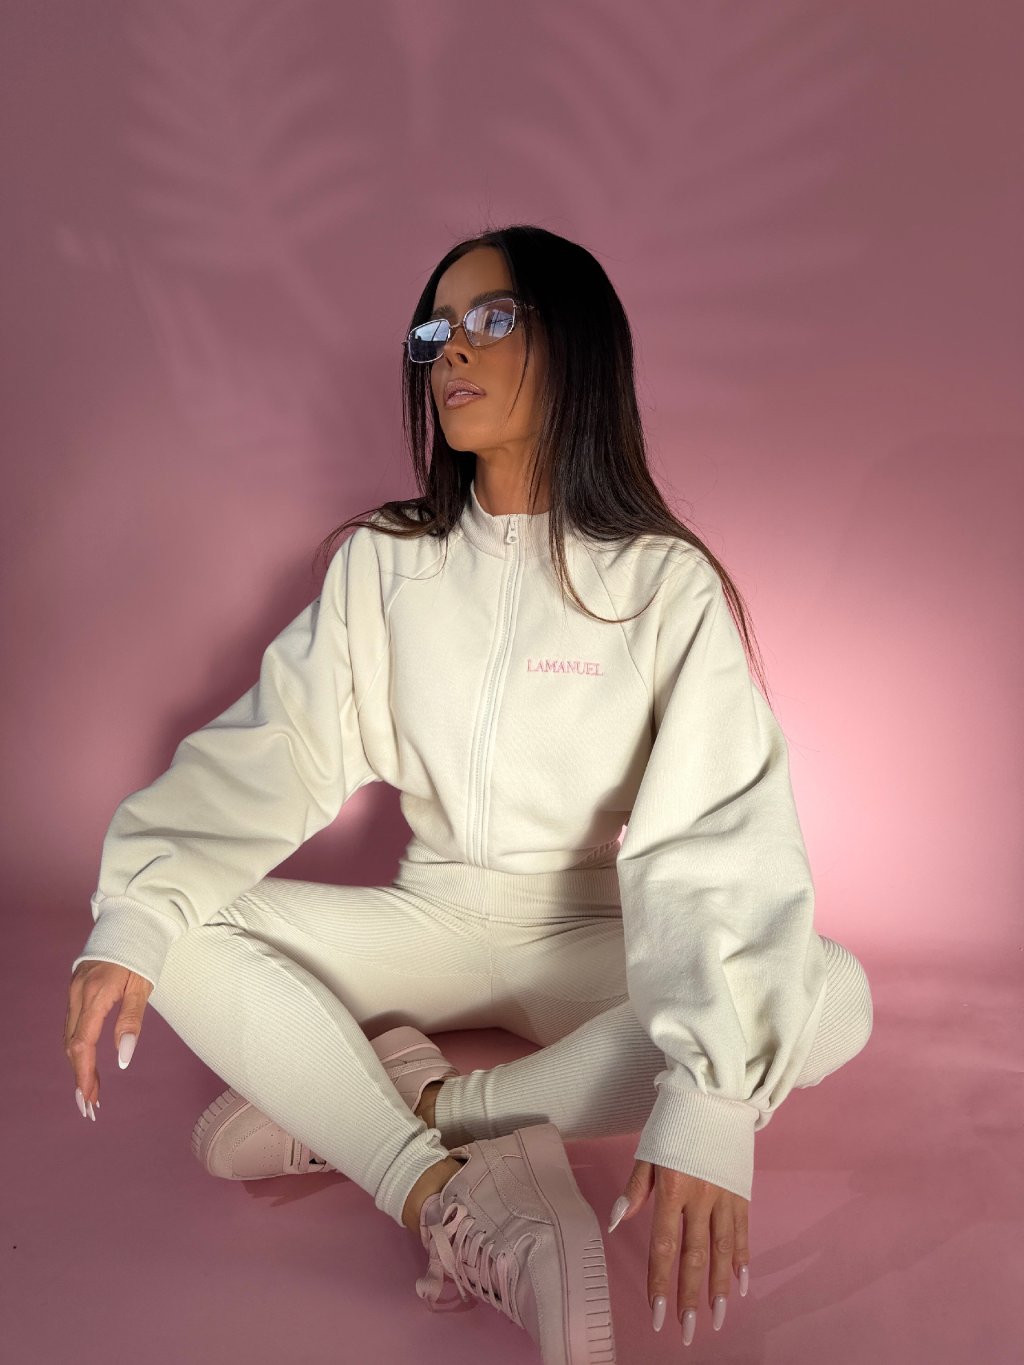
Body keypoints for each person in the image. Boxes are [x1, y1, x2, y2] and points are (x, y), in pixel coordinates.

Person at [63, 224, 873, 1361]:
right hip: (428, 919)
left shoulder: (662, 582)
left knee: (826, 992)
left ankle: (434, 1108)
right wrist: (139, 913)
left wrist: (705, 1106)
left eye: (491, 319)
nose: (451, 350)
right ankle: (437, 1191)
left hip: (595, 935)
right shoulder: (385, 562)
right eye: (436, 330)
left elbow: (713, 836)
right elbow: (281, 750)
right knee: (162, 919)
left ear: (575, 345)